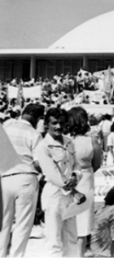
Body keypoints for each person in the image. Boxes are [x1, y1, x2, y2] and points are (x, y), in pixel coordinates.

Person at [34, 107, 84, 258]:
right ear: (47, 125)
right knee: (53, 241)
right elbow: (52, 174)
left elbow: (76, 164)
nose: (58, 127)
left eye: (61, 123)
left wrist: (76, 175)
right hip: (54, 195)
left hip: (69, 198)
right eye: (54, 123)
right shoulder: (43, 147)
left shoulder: (69, 142)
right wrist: (73, 189)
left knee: (71, 237)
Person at [0, 103, 44, 258]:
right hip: (25, 177)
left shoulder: (5, 128)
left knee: (3, 224)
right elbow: (39, 163)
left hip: (4, 178)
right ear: (38, 118)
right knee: (22, 224)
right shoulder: (34, 134)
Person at [67, 107, 103, 258]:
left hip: (66, 179)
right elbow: (97, 163)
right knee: (83, 222)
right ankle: (79, 254)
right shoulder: (92, 140)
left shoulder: (63, 140)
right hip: (86, 177)